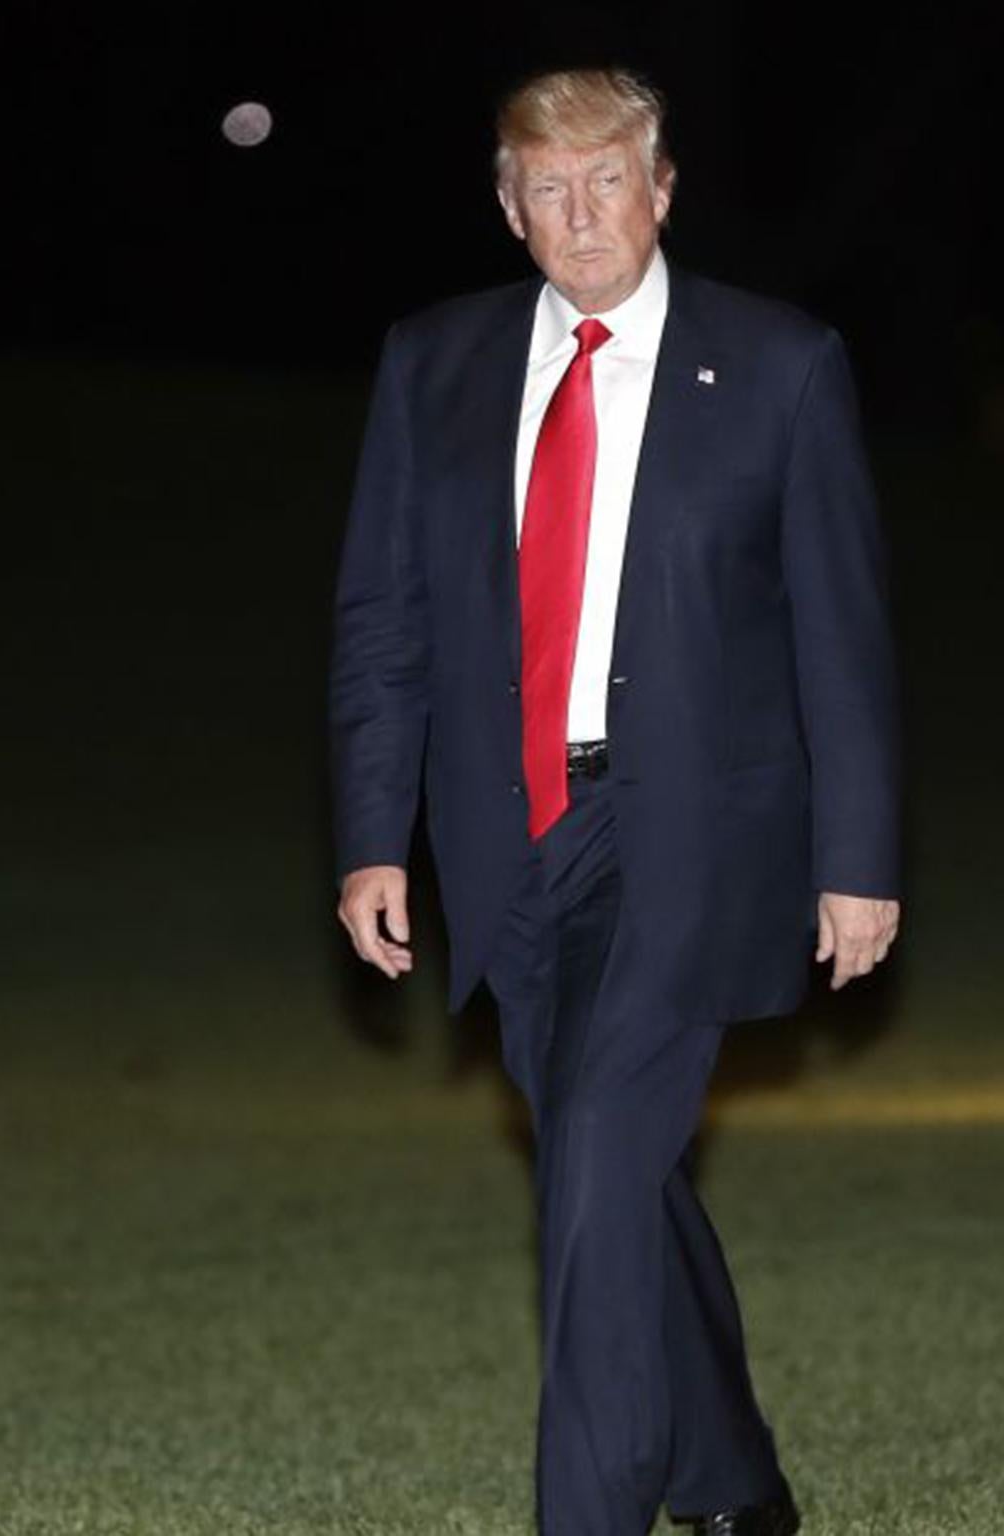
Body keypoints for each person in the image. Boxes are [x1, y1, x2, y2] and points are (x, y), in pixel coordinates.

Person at [329, 65, 902, 1536]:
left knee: (590, 1170)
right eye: (548, 190)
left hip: (690, 837)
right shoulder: (434, 362)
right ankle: (739, 1486)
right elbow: (385, 619)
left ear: (661, 190)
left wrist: (858, 856)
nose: (582, 218)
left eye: (608, 183)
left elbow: (842, 631)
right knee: (621, 1174)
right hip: (507, 832)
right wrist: (369, 838)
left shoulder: (779, 365)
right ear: (510, 209)